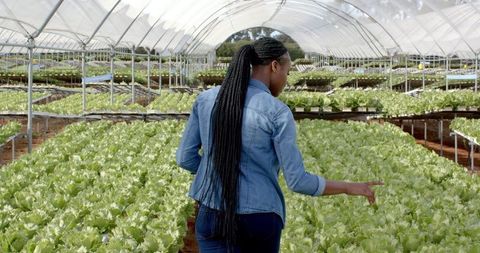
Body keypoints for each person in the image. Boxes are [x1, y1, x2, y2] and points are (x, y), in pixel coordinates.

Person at [176, 37, 383, 253]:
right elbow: (297, 181)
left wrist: (219, 171)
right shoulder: (277, 112)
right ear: (274, 66)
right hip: (259, 219)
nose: (287, 79)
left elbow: (184, 158)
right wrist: (349, 187)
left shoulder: (206, 100)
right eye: (287, 71)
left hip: (211, 212)